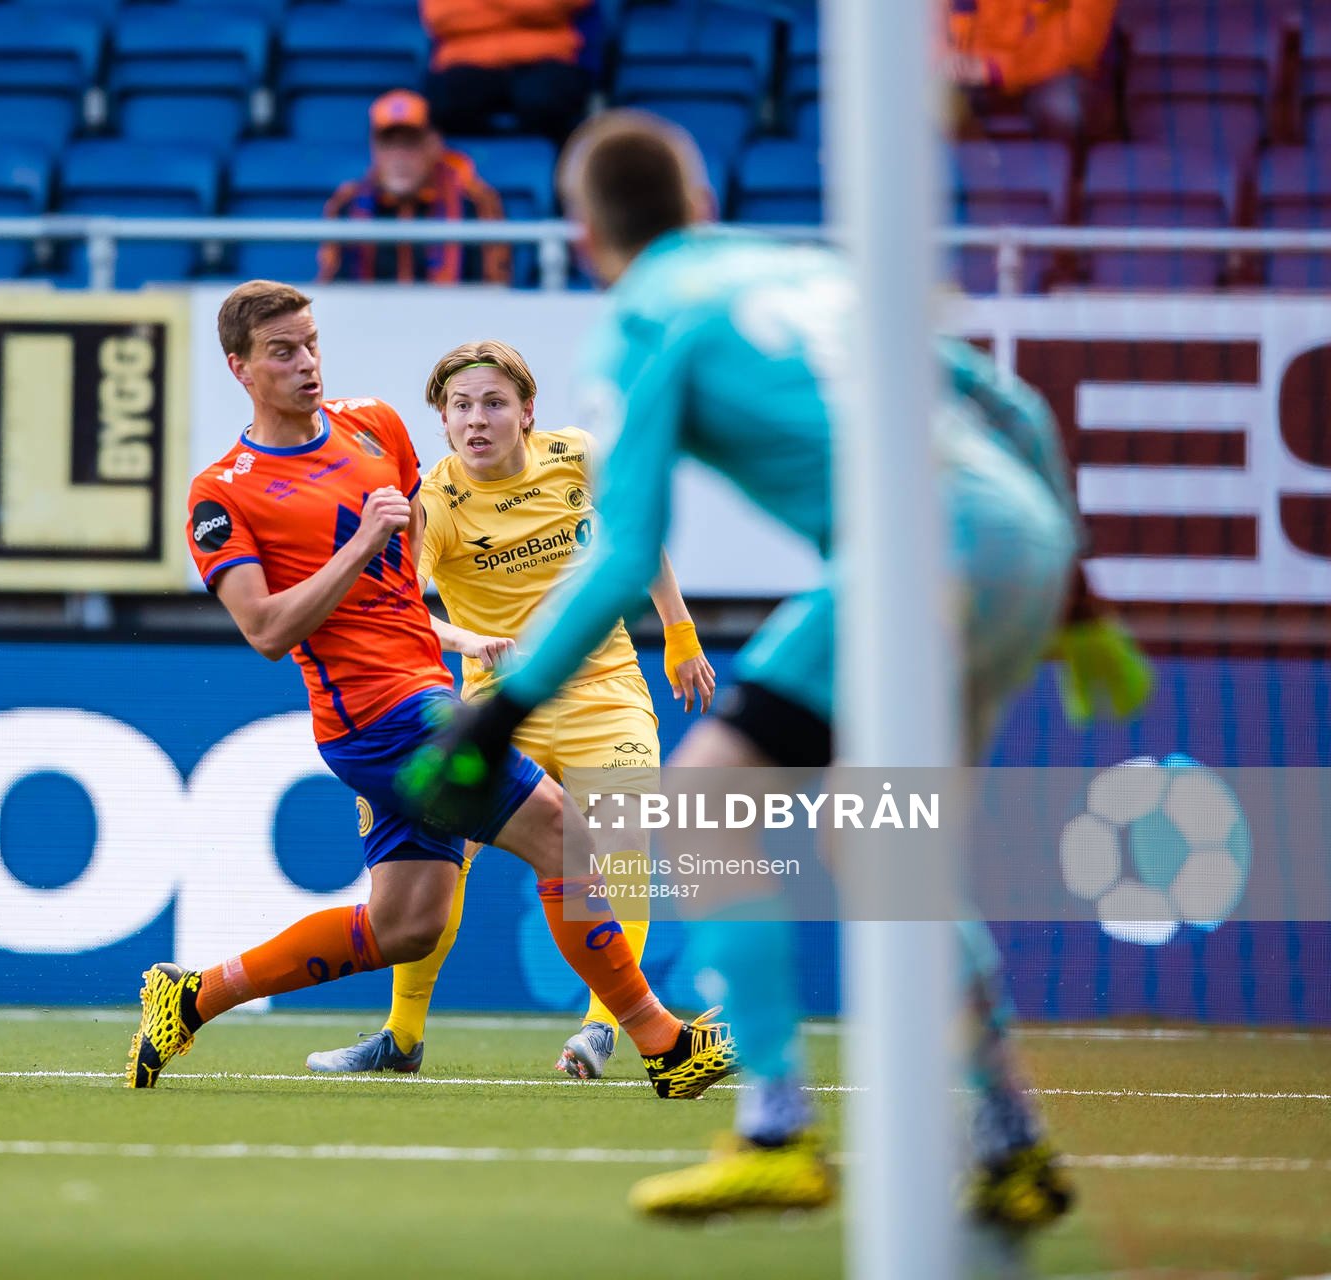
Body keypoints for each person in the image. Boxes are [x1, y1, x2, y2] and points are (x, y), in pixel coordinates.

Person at [397, 112, 1150, 1226]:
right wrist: (1076, 592)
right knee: (888, 848)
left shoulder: (651, 313)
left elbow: (625, 550)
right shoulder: (807, 272)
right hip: (1021, 541)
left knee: (706, 796)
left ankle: (776, 1128)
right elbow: (1017, 405)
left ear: (588, 234)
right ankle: (1011, 1144)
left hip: (911, 554)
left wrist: (503, 705)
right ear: (701, 205)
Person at [127, 279, 736, 1101]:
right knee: (569, 835)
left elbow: (405, 573)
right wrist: (360, 546)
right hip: (379, 716)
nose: (306, 362)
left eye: (310, 342)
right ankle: (664, 1045)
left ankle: (190, 998)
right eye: (282, 352)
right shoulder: (222, 493)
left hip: (420, 698)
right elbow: (268, 631)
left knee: (403, 924)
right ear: (240, 368)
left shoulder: (373, 424)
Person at [304, 339, 718, 1080]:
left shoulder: (577, 457)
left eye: (494, 403)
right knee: (437, 864)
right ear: (442, 422)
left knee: (621, 851)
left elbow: (637, 536)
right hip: (499, 706)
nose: (477, 419)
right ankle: (400, 1038)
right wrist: (468, 637)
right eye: (460, 407)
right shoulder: (432, 501)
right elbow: (398, 608)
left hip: (605, 690)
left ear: (528, 412)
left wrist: (680, 634)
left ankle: (602, 1029)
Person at [318, 90, 512, 287]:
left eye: (410, 144)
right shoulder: (348, 204)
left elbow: (494, 290)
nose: (399, 158)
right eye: (389, 145)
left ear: (434, 144)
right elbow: (332, 288)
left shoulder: (474, 202)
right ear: (374, 148)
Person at [421, 0, 594, 145]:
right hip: (466, 61)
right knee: (443, 101)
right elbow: (441, 15)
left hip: (546, 57)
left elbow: (557, 4)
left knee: (546, 100)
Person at [944, 0, 1116, 138]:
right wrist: (954, 59)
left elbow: (1080, 43)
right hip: (980, 72)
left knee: (1065, 110)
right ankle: (985, 174)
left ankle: (1069, 178)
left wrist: (999, 68)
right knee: (935, 101)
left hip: (1055, 74)